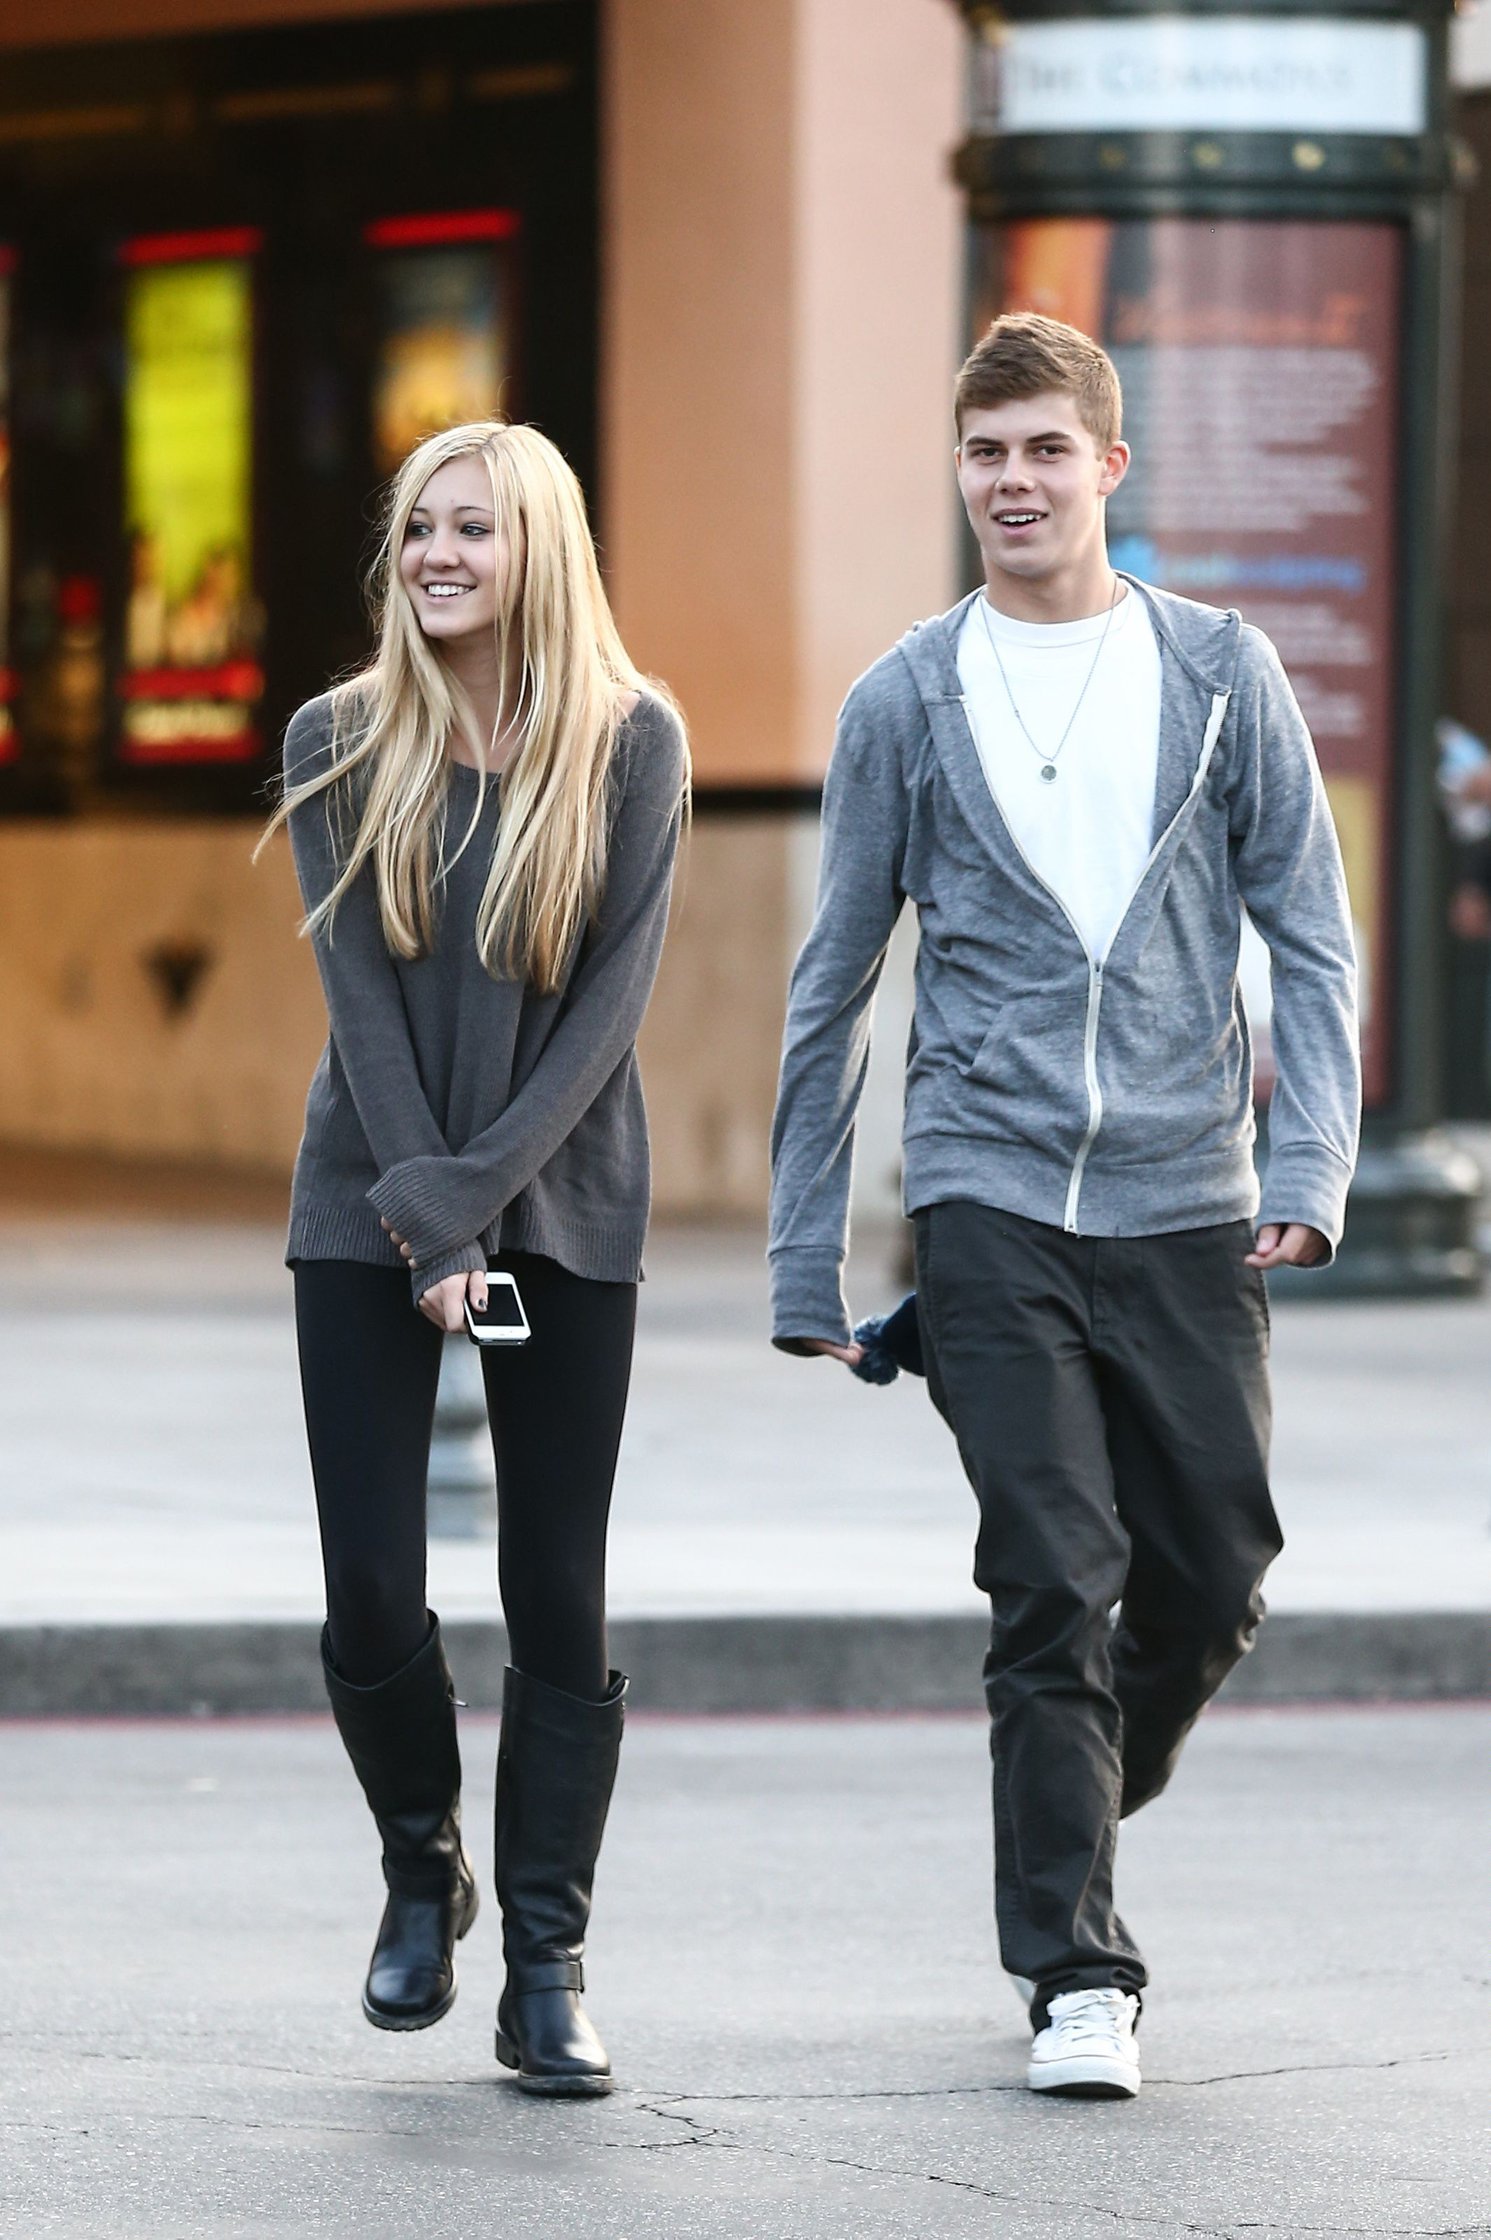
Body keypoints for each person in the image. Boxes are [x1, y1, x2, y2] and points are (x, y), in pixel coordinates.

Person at [768, 314, 1360, 2100]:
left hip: (1190, 1194)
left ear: (1113, 466)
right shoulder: (907, 697)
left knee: (1214, 1577)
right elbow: (833, 977)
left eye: (1043, 451)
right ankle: (1075, 1971)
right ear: (959, 476)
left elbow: (1313, 938)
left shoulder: (1220, 676)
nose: (1013, 483)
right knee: (1053, 1576)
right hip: (989, 1190)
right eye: (985, 455)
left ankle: (1075, 1798)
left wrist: (1316, 1162)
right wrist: (808, 1246)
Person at [259, 419, 687, 2096]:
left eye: (476, 531)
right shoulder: (335, 738)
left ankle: (549, 1957)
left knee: (553, 1586)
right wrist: (425, 1216)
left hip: (568, 1201)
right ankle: (417, 1866)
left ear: (543, 553)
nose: (438, 555)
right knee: (369, 1577)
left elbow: (608, 1017)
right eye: (421, 528)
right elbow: (357, 1004)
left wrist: (488, 1202)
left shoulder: (632, 745)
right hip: (365, 1199)